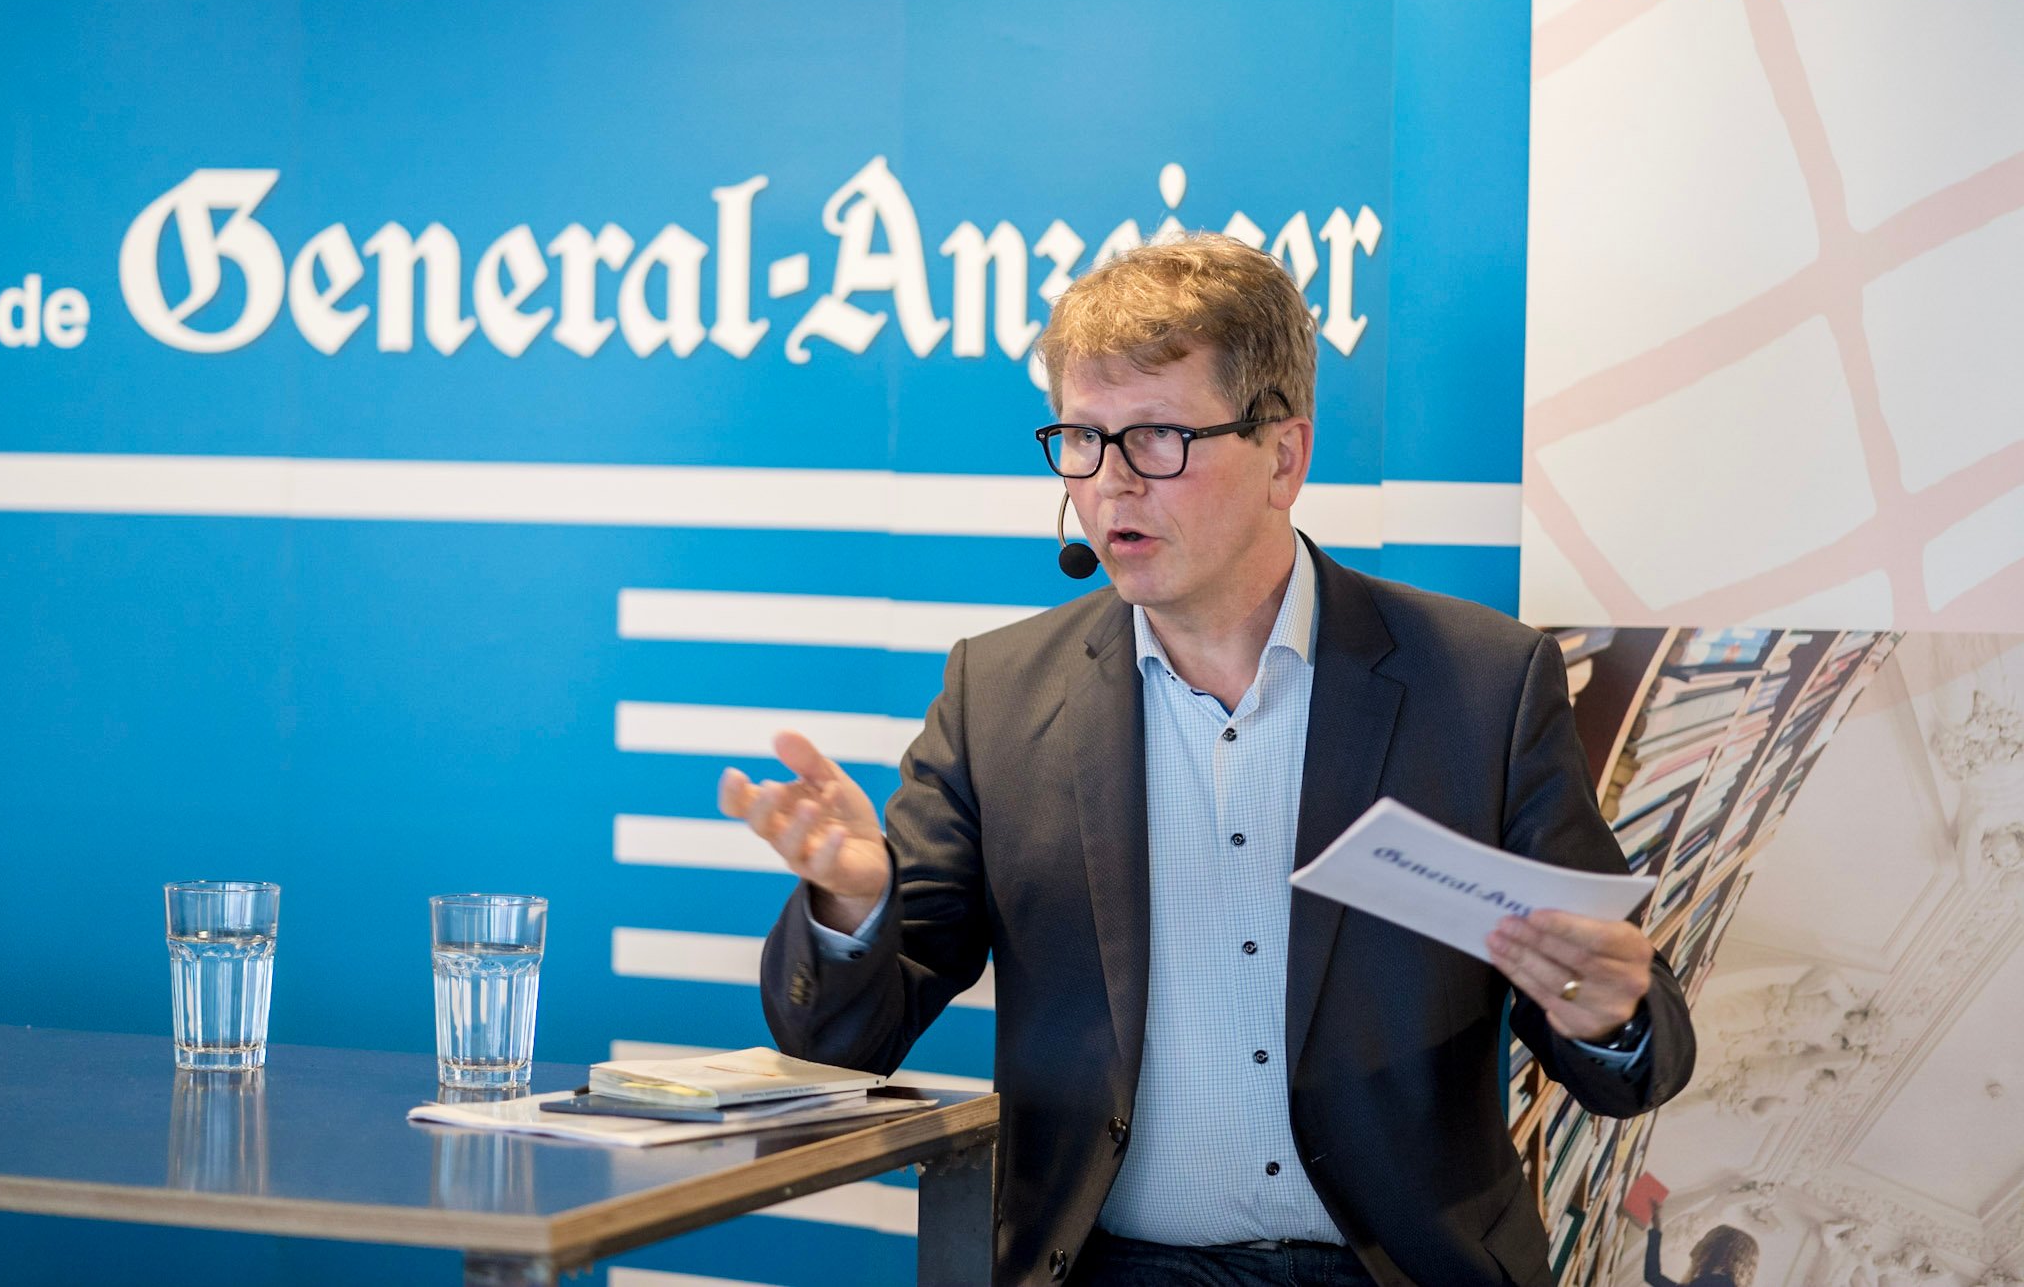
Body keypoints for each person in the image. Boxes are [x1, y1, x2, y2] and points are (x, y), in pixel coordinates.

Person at [718, 234, 1695, 1286]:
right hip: (1105, 1269)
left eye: (1156, 438)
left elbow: (1630, 1041)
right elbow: (841, 1045)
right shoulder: (996, 695)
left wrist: (1605, 1010)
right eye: (1082, 439)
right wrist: (852, 903)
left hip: (1390, 1271)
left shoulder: (1480, 683)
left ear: (1283, 456)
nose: (1108, 486)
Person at [1645, 1203, 1758, 1287]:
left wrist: (1656, 1229)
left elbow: (1653, 1277)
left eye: (1705, 1240)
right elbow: (1653, 1276)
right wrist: (1656, 1228)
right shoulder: (1719, 1281)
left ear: (1717, 1249)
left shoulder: (1715, 1282)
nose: (1699, 1244)